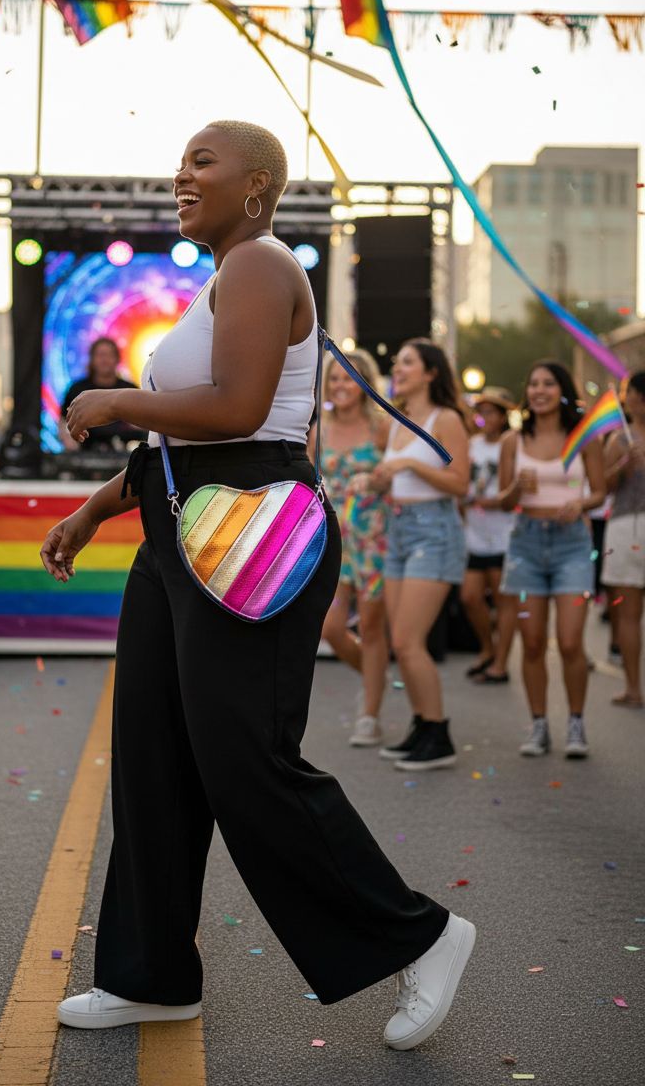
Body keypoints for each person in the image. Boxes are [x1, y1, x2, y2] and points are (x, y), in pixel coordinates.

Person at [40, 121, 475, 1050]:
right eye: (181, 161)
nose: (181, 174)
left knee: (246, 764)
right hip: (177, 529)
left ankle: (423, 935)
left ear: (259, 183)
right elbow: (186, 442)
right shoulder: (221, 280)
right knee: (154, 761)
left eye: (202, 160)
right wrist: (98, 510)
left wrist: (114, 400)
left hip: (250, 538)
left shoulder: (263, 263)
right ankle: (151, 976)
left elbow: (239, 415)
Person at [369, 340, 470, 772]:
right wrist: (372, 481)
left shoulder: (445, 419)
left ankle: (439, 733)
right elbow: (392, 481)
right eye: (398, 361)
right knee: (400, 642)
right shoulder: (395, 422)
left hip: (435, 530)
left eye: (408, 361)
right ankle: (422, 725)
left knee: (409, 642)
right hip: (399, 528)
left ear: (431, 372)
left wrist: (409, 467)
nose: (398, 367)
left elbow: (460, 483)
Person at [499, 361, 605, 757]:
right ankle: (539, 724)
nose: (539, 390)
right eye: (533, 384)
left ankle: (576, 723)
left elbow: (599, 490)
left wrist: (581, 502)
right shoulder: (513, 440)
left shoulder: (583, 438)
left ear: (562, 390)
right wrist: (514, 486)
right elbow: (501, 500)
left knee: (572, 641)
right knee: (530, 643)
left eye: (548, 384)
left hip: (572, 546)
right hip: (526, 544)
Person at [308, 348, 390, 746]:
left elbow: (397, 479)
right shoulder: (317, 430)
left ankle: (369, 714)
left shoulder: (382, 428)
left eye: (350, 379)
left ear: (364, 385)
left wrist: (378, 481)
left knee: (373, 629)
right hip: (332, 541)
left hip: (375, 540)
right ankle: (377, 678)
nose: (342, 386)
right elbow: (304, 484)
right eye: (336, 378)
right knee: (333, 629)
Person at [460, 388, 517, 684]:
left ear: (503, 415)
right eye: (481, 412)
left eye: (492, 411)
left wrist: (493, 502)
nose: (485, 417)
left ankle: (501, 663)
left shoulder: (512, 444)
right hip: (474, 531)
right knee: (470, 596)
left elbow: (518, 489)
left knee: (503, 599)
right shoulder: (472, 443)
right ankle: (487, 648)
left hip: (504, 531)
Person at [601, 370, 645, 707]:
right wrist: (622, 465)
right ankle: (633, 686)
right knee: (627, 613)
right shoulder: (618, 439)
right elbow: (604, 486)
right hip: (623, 524)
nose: (631, 399)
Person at [59, 337, 146, 452]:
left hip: (126, 452)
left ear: (117, 359)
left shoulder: (130, 389)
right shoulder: (77, 389)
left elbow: (145, 422)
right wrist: (69, 443)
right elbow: (63, 420)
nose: (105, 360)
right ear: (92, 359)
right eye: (100, 355)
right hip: (86, 451)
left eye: (109, 355)